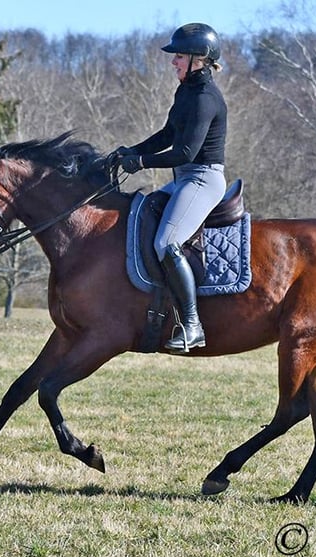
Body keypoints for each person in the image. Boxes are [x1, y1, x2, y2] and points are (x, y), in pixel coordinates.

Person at [116, 23, 227, 354]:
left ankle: (193, 325)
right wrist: (131, 152)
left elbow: (185, 153)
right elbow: (168, 135)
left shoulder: (205, 99)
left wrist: (143, 163)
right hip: (185, 177)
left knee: (167, 242)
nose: (173, 62)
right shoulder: (187, 91)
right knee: (143, 211)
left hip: (202, 178)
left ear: (199, 59)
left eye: (179, 56)